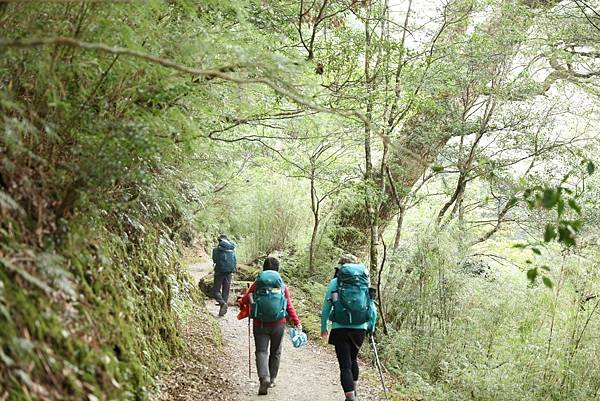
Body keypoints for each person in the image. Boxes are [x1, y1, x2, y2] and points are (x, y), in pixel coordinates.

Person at [239, 256, 302, 395]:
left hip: (260, 323)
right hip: (278, 324)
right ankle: (272, 379)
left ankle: (264, 378)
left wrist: (242, 301)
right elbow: (289, 306)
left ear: (264, 268)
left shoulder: (257, 283)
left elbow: (244, 299)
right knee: (276, 351)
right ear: (277, 269)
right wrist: (297, 322)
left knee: (261, 351)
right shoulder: (281, 285)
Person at [321, 254, 377, 401]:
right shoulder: (363, 282)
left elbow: (326, 306)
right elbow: (372, 306)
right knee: (353, 360)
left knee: (345, 366)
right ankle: (353, 392)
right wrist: (371, 325)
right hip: (360, 328)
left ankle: (351, 397)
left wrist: (323, 327)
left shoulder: (335, 282)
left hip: (340, 328)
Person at [212, 234, 237, 316]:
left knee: (216, 291)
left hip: (219, 272)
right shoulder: (231, 249)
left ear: (219, 241)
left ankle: (222, 304)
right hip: (229, 272)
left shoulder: (216, 250)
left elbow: (215, 260)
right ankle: (222, 310)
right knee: (225, 291)